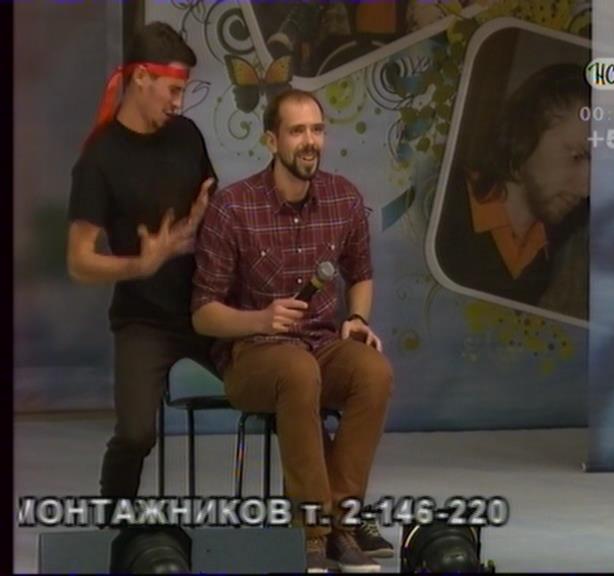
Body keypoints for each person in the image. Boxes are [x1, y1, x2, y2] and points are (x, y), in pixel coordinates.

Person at [191, 89, 393, 573]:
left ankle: (341, 523)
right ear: (271, 140)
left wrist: (358, 319)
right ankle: (312, 534)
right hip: (252, 354)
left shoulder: (343, 198)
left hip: (321, 344)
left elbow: (361, 274)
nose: (310, 141)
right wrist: (260, 320)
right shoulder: (233, 206)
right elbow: (203, 314)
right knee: (298, 371)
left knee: (374, 373)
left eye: (317, 130)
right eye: (297, 131)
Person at [66, 22, 216, 502]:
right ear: (141, 79)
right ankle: (117, 522)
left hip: (207, 307)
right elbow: (78, 261)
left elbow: (212, 206)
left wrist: (206, 221)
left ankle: (325, 519)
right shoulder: (100, 159)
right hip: (143, 319)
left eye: (183, 91)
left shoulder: (187, 136)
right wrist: (141, 264)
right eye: (173, 90)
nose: (178, 103)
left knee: (285, 384)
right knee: (135, 434)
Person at [436, 63, 590, 319]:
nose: (586, 190)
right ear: (525, 133)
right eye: (575, 156)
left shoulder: (548, 257)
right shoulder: (440, 202)